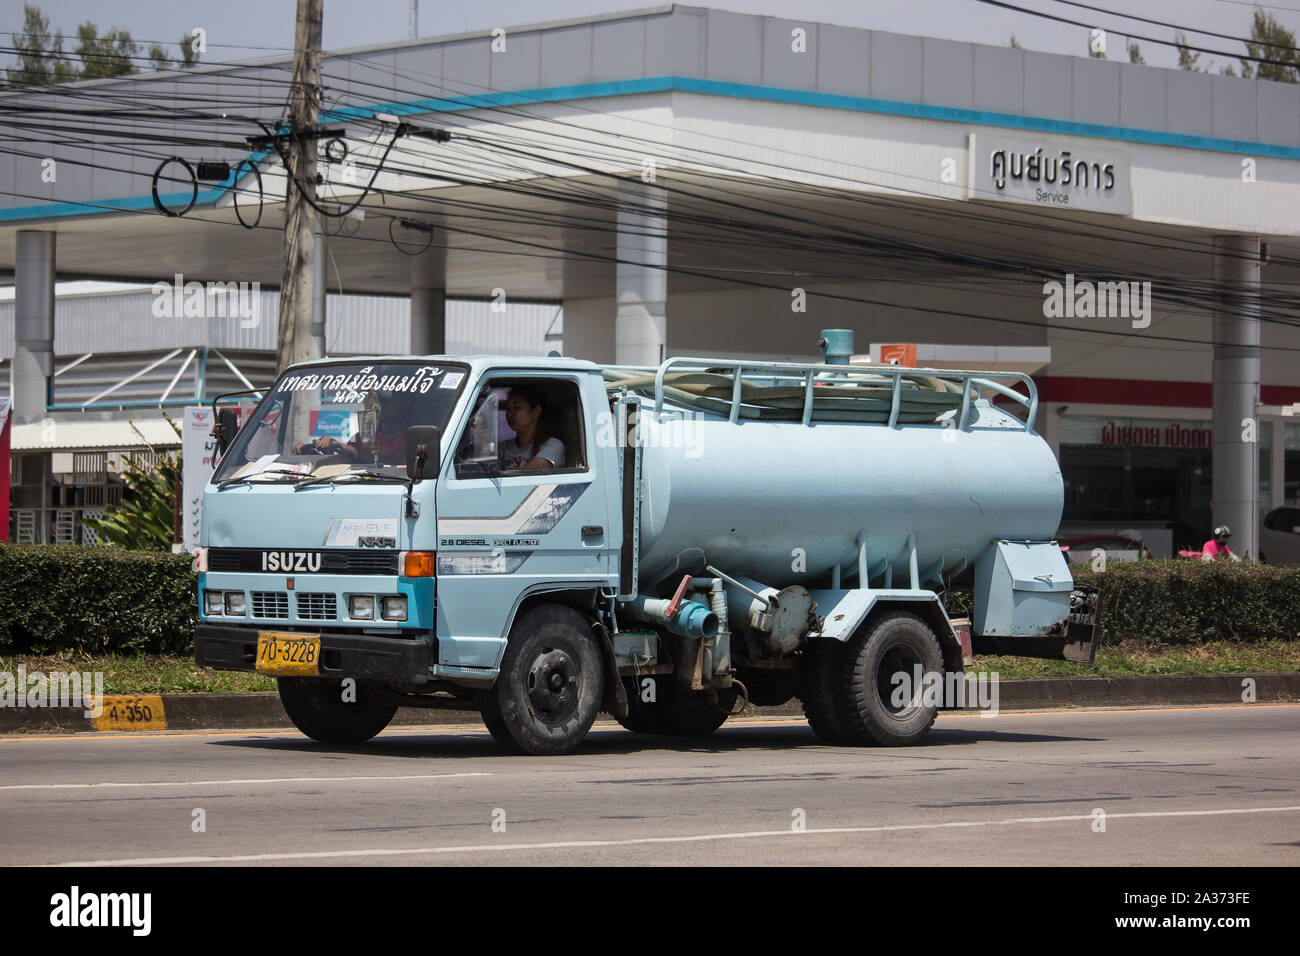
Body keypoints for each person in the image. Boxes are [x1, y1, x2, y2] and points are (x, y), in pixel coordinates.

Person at [296, 391, 414, 465]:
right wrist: (324, 450)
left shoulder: (413, 438)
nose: (377, 404)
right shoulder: (360, 438)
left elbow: (388, 460)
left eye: (385, 401)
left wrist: (341, 446)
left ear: (401, 405)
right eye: (376, 400)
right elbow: (347, 461)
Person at [499, 386, 564, 471]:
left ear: (536, 412)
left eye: (517, 407)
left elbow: (522, 477)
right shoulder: (503, 448)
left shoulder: (553, 446)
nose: (510, 414)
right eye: (508, 408)